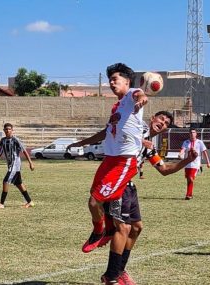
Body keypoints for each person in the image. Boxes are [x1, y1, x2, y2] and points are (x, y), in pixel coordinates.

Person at [66, 63, 148, 283]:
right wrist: (79, 143)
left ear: (127, 82)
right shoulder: (116, 108)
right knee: (93, 203)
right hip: (109, 160)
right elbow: (104, 133)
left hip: (123, 162)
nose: (111, 83)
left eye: (115, 79)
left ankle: (103, 235)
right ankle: (103, 230)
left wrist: (141, 98)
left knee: (98, 203)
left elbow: (141, 95)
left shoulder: (131, 95)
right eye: (110, 80)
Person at [100, 111, 198, 284]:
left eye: (167, 123)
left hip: (129, 187)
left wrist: (187, 160)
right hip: (118, 183)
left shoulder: (149, 146)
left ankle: (120, 270)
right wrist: (139, 141)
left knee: (136, 228)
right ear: (153, 118)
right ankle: (111, 276)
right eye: (161, 119)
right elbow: (120, 134)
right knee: (123, 228)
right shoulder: (138, 129)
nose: (163, 123)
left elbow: (165, 170)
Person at [0, 123, 35, 209]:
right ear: (4, 130)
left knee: (5, 181)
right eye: (6, 129)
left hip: (15, 165)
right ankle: (30, 202)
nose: (8, 130)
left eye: (9, 129)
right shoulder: (3, 141)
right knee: (19, 184)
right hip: (10, 165)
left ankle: (1, 204)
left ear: (12, 130)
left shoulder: (16, 140)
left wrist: (30, 163)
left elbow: (24, 151)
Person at [178, 128, 210, 200]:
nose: (192, 134)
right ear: (189, 134)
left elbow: (204, 152)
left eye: (193, 132)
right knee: (188, 179)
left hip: (196, 163)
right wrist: (180, 154)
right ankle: (190, 194)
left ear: (196, 134)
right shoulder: (186, 142)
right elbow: (183, 149)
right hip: (187, 163)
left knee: (190, 178)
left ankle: (188, 195)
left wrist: (208, 162)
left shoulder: (200, 142)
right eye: (191, 133)